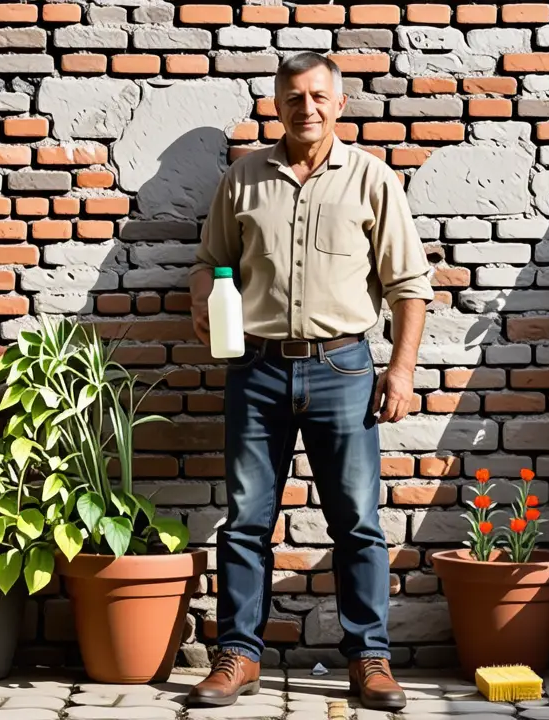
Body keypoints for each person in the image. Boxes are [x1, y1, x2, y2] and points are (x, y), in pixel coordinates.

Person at [185, 52, 433, 711]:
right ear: (277, 103)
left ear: (340, 103)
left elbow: (409, 287)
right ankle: (238, 656)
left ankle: (370, 661)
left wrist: (401, 371)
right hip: (257, 369)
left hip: (344, 369)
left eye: (319, 95)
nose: (307, 107)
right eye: (294, 96)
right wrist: (208, 311)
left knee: (356, 521)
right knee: (245, 521)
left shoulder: (373, 181)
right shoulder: (243, 181)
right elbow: (210, 264)